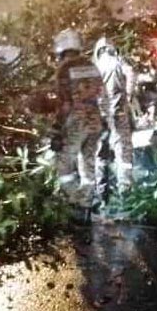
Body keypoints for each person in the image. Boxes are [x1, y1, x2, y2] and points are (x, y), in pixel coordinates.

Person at [51, 27, 107, 222]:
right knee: (88, 163)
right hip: (95, 120)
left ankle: (74, 203)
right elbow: (101, 94)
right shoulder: (92, 66)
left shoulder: (64, 69)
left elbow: (64, 104)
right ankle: (87, 204)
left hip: (76, 121)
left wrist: (57, 129)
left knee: (64, 165)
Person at [92, 37, 134, 206]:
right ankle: (126, 197)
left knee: (100, 157)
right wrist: (129, 94)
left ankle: (102, 199)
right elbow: (130, 73)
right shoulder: (118, 62)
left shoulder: (93, 68)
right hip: (118, 115)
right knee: (123, 156)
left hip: (98, 117)